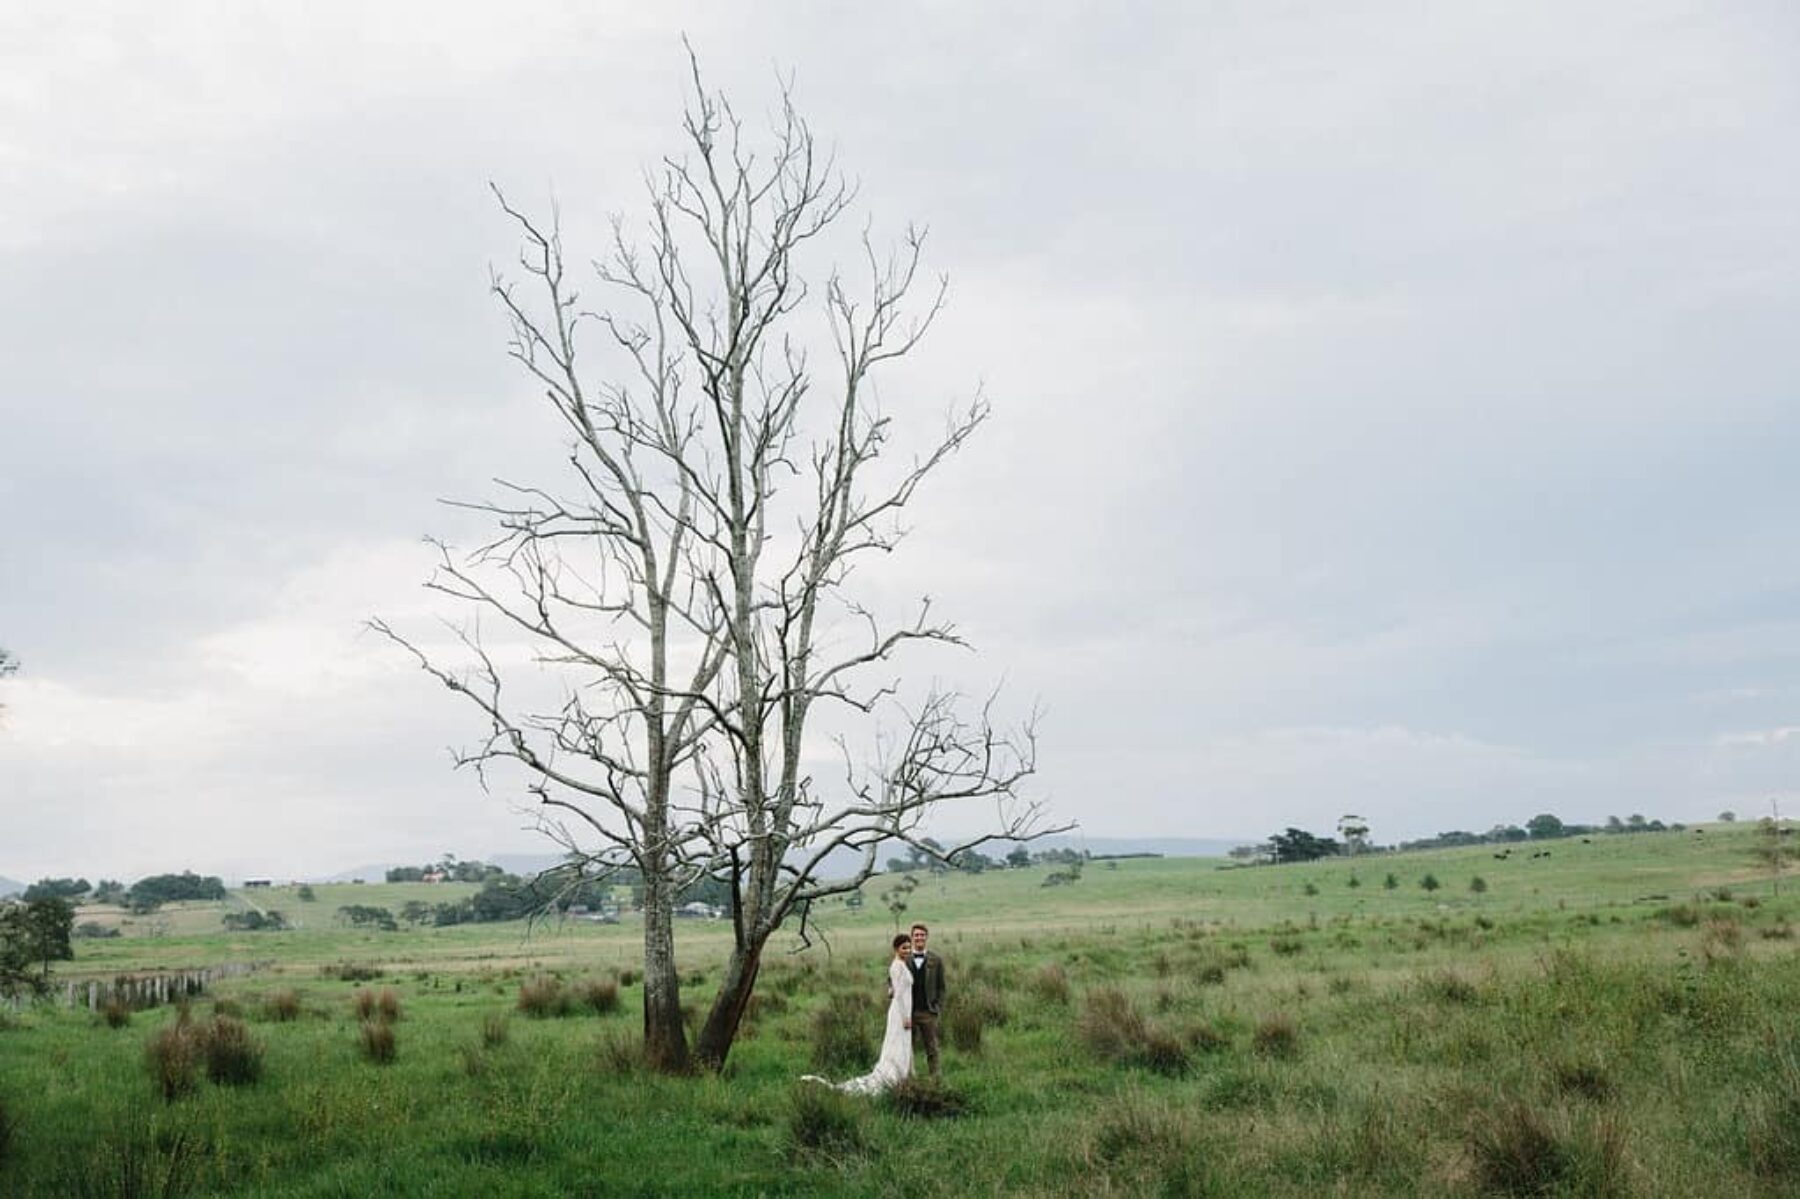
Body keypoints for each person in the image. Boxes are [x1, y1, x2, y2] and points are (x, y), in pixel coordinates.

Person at [801, 934, 914, 1095]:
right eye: (904, 947)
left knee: (902, 1044)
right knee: (896, 1043)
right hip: (900, 1012)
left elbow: (894, 990)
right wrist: (905, 1017)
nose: (907, 950)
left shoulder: (903, 965)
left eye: (909, 947)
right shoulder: (896, 966)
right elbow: (899, 996)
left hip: (905, 1009)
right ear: (896, 949)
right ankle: (894, 1075)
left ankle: (903, 1074)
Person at [907, 921, 946, 1078]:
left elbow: (942, 987)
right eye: (916, 935)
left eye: (922, 935)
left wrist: (937, 1007)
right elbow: (892, 980)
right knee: (906, 1048)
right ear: (912, 938)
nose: (919, 938)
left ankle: (935, 1078)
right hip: (908, 1013)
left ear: (927, 937)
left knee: (932, 1047)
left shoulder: (936, 960)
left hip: (928, 1011)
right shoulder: (905, 959)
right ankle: (907, 1077)